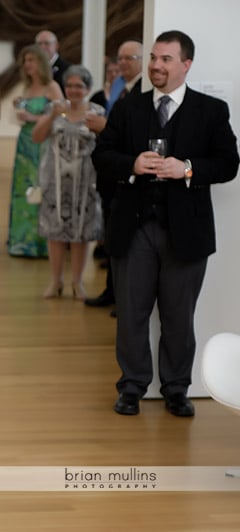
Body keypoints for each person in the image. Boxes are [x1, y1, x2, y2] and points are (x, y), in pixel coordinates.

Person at [92, 30, 238, 418]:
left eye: (165, 59)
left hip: (187, 233)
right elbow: (102, 155)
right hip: (134, 227)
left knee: (178, 316)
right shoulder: (128, 108)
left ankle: (176, 388)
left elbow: (228, 164)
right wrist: (132, 165)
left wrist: (188, 168)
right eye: (154, 58)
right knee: (132, 313)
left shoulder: (211, 110)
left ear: (186, 65)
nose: (156, 65)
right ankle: (131, 387)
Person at [32, 65, 105, 299]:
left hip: (85, 183)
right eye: (70, 86)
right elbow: (37, 136)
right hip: (56, 181)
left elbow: (108, 140)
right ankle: (56, 282)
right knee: (55, 233)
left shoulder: (97, 111)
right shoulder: (54, 109)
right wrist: (53, 115)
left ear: (88, 88)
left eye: (79, 86)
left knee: (80, 233)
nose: (74, 90)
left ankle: (77, 282)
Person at [86, 40, 144, 311]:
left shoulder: (144, 90)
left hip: (131, 175)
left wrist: (104, 126)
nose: (122, 63)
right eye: (120, 58)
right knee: (112, 233)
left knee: (124, 239)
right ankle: (112, 289)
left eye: (129, 58)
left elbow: (134, 134)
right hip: (112, 170)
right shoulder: (121, 87)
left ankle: (122, 296)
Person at [8, 44, 64, 258]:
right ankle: (21, 240)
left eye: (31, 60)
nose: (28, 64)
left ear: (41, 62)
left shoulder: (51, 86)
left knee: (41, 186)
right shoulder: (27, 87)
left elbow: (61, 114)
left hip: (43, 142)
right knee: (23, 188)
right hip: (24, 142)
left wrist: (33, 118)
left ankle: (41, 242)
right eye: (25, 61)